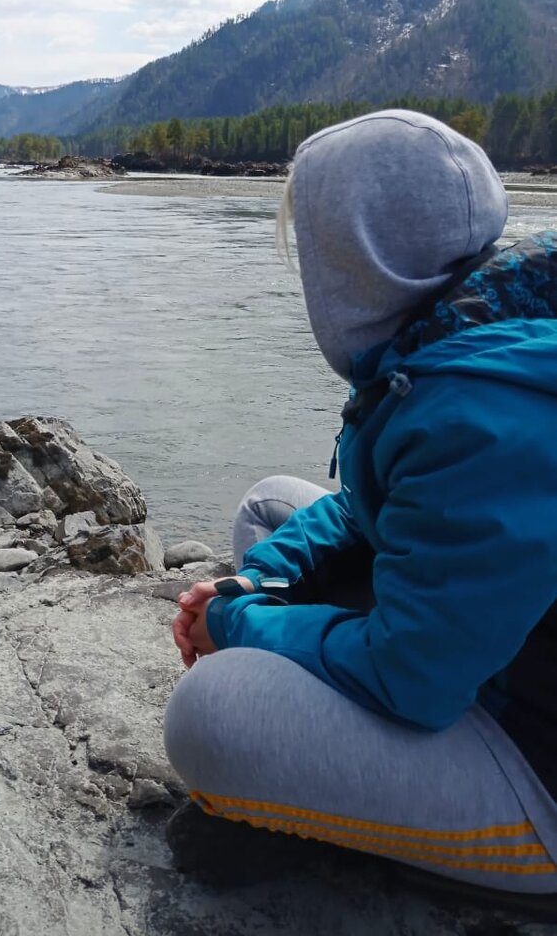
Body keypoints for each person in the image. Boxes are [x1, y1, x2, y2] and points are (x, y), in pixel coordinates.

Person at [163, 109, 557, 907]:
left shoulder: (477, 414)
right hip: (493, 659)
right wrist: (251, 589)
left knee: (207, 716)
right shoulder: (472, 328)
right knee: (269, 510)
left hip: (537, 766)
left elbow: (412, 677)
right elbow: (366, 511)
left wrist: (239, 626)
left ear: (356, 263)